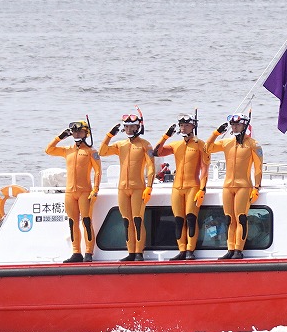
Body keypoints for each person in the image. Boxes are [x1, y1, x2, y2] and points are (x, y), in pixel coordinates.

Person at [152, 114, 210, 260]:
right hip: (177, 187)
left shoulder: (200, 145)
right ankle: (182, 250)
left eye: (186, 125)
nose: (183, 128)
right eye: (181, 126)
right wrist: (166, 136)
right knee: (178, 219)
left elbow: (204, 168)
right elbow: (156, 152)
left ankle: (190, 250)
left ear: (193, 127)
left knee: (191, 218)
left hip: (193, 186)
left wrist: (202, 188)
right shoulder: (176, 145)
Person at [99, 111, 155, 261]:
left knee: (137, 219)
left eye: (132, 127)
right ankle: (130, 252)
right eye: (127, 127)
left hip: (138, 187)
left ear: (138, 127)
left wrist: (149, 186)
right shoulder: (120, 145)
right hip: (122, 188)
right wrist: (109, 135)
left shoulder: (145, 145)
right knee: (126, 220)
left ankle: (139, 252)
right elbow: (102, 152)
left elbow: (151, 167)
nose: (129, 130)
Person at [206, 113, 262, 259]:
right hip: (228, 186)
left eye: (237, 124)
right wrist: (216, 133)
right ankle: (230, 248)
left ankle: (238, 249)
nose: (234, 127)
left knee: (241, 218)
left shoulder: (253, 144)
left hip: (244, 186)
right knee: (228, 219)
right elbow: (208, 148)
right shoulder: (226, 143)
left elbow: (259, 167)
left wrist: (257, 187)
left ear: (244, 125)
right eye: (233, 125)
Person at [44, 120, 101, 263]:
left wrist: (95, 189)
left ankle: (88, 252)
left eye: (79, 131)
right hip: (70, 192)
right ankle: (76, 253)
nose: (76, 134)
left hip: (85, 192)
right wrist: (60, 137)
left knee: (86, 222)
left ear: (86, 133)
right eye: (74, 132)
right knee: (72, 222)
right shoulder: (67, 149)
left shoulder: (91, 151)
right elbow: (48, 150)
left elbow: (98, 171)